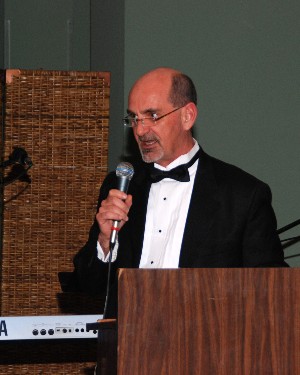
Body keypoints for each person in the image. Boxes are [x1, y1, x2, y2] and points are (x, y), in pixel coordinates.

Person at [72, 67, 288, 317]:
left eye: (152, 115)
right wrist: (104, 242)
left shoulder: (243, 195)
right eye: (134, 118)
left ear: (188, 116)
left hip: (206, 348)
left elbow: (273, 293)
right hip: (126, 346)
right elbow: (87, 285)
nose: (140, 130)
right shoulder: (120, 184)